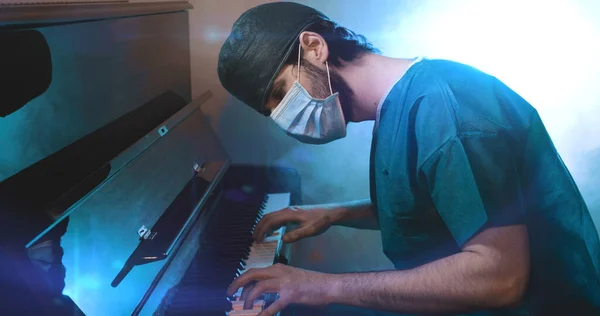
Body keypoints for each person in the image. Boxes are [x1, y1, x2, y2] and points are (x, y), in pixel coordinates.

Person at [217, 2, 600, 316]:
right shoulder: (398, 103)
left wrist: (325, 284)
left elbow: (499, 277)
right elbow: (438, 203)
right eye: (274, 112)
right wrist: (335, 213)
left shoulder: (445, 109)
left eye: (283, 93)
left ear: (315, 48)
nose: (287, 117)